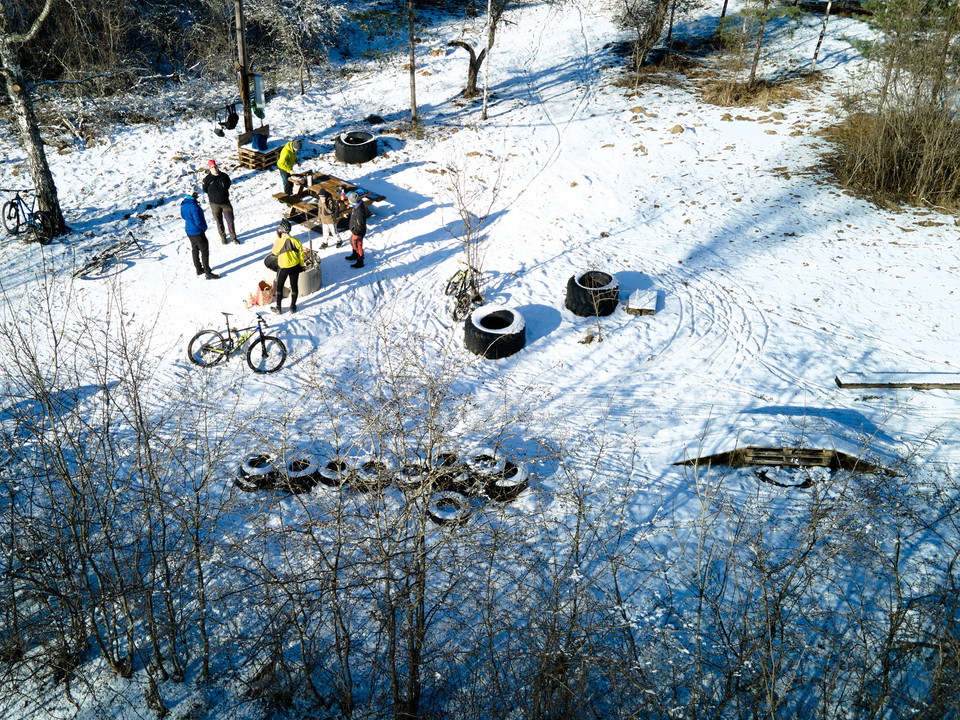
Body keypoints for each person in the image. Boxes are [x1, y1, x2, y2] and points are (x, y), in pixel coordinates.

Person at [180, 190, 220, 279]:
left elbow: (183, 216)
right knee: (204, 251)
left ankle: (198, 269)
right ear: (193, 194)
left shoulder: (184, 203)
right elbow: (198, 222)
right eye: (196, 193)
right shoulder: (194, 207)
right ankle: (208, 273)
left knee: (195, 249)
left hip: (189, 230)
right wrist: (204, 228)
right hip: (198, 232)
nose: (197, 195)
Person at [271, 219, 306, 314]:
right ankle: (292, 307)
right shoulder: (297, 241)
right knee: (294, 286)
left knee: (279, 287)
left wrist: (278, 238)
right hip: (295, 266)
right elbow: (301, 255)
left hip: (283, 268)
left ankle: (278, 308)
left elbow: (274, 252)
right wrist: (301, 265)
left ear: (281, 230)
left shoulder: (279, 242)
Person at [201, 159, 239, 245]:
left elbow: (228, 185)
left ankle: (233, 237)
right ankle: (223, 237)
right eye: (212, 167)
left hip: (225, 203)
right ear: (209, 169)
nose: (214, 168)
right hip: (214, 204)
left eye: (215, 166)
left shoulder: (224, 176)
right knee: (219, 221)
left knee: (230, 220)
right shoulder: (207, 179)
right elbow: (205, 189)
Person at [346, 198, 372, 269]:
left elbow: (360, 223)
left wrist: (356, 232)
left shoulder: (359, 210)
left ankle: (360, 261)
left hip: (358, 232)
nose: (349, 202)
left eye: (350, 200)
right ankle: (355, 255)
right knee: (352, 242)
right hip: (355, 230)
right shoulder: (356, 206)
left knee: (358, 246)